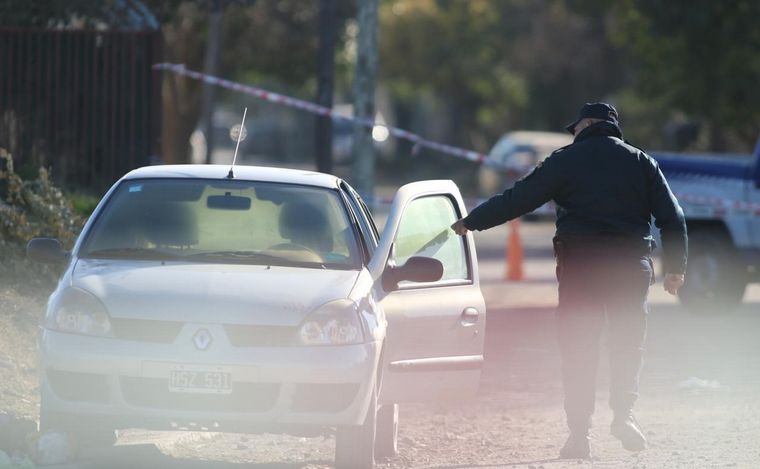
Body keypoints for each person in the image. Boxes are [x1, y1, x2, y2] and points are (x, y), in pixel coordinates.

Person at [451, 102, 687, 459]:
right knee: (627, 344)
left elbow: (519, 199)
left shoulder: (564, 161)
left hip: (582, 269)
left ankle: (579, 436)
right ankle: (625, 415)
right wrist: (675, 268)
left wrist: (471, 221)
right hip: (629, 268)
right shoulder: (641, 162)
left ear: (588, 124)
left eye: (575, 127)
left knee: (579, 348)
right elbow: (673, 216)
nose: (573, 133)